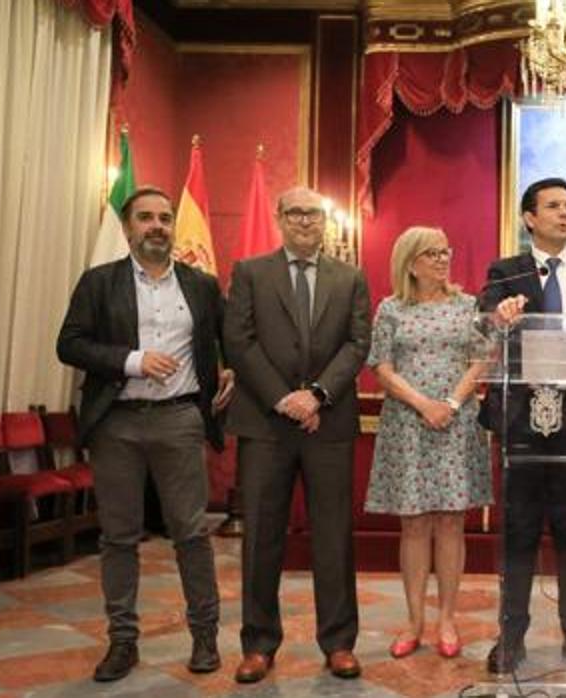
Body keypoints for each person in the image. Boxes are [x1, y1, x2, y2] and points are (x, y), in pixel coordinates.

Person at [56, 186, 233, 682]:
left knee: (192, 534)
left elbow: (230, 336)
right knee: (118, 537)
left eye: (165, 217)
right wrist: (131, 361)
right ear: (129, 228)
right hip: (117, 422)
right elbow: (68, 343)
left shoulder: (200, 285)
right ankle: (122, 642)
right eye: (146, 218)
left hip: (180, 421)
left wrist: (232, 368)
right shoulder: (99, 282)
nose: (157, 225)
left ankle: (204, 638)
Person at [223, 185, 372, 683]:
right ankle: (259, 645)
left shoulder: (350, 277)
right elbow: (238, 341)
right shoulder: (250, 273)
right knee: (262, 536)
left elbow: (357, 344)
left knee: (333, 536)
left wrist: (317, 396)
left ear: (324, 221)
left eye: (314, 214)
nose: (305, 221)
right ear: (279, 217)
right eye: (296, 213)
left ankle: (338, 643)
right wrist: (283, 398)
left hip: (327, 424)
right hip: (265, 424)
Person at [480, 177, 566, 675]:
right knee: (518, 532)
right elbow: (484, 322)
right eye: (553, 206)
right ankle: (510, 637)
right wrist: (498, 316)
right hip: (521, 422)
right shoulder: (505, 272)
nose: (565, 213)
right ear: (530, 218)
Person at [366, 226, 491, 660]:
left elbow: (481, 359)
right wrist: (423, 404)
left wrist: (451, 404)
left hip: (456, 423)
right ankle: (414, 620)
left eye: (446, 251)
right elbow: (380, 367)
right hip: (408, 422)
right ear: (411, 262)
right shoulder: (391, 309)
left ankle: (447, 620)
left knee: (451, 521)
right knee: (415, 523)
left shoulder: (468, 305)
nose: (443, 260)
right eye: (432, 254)